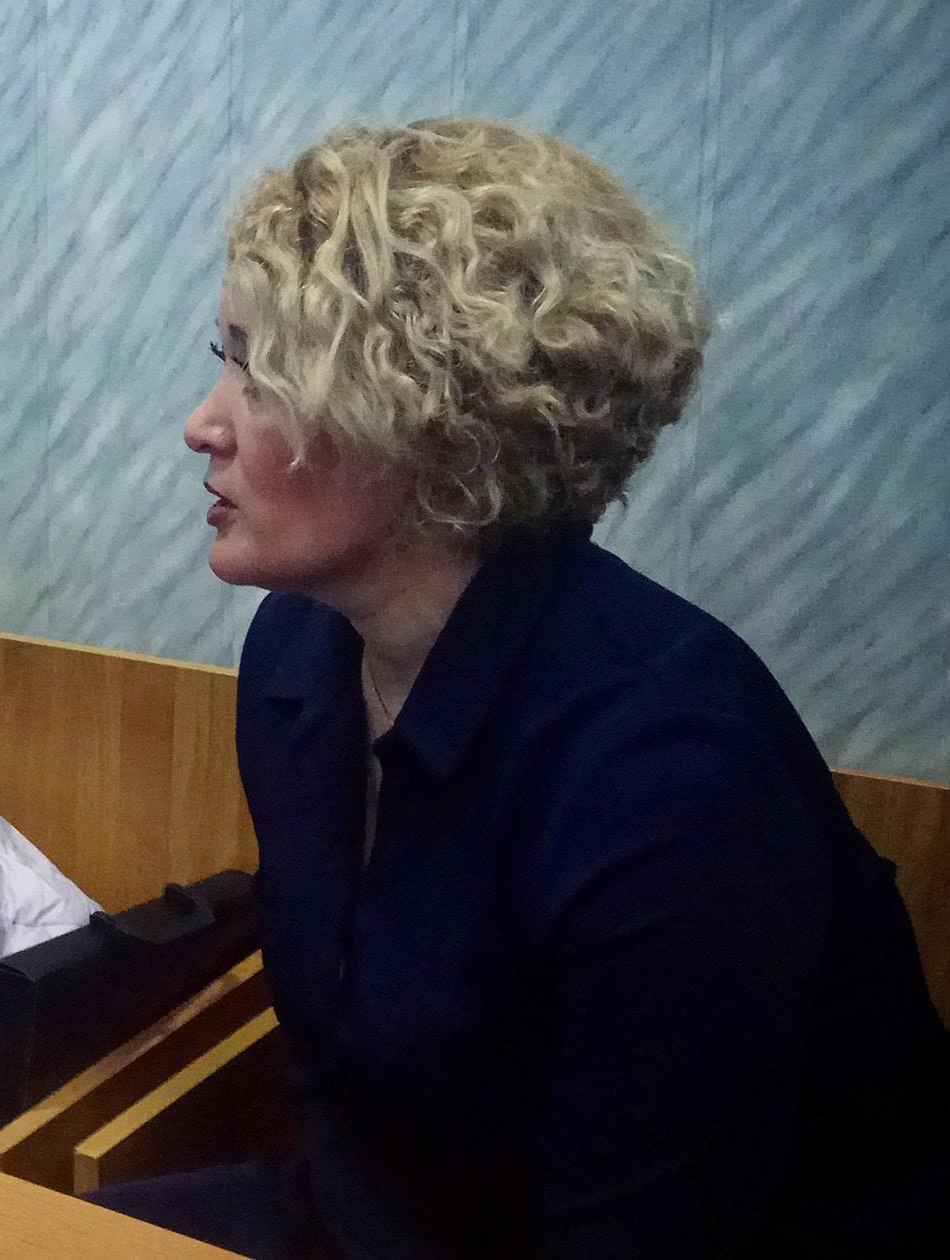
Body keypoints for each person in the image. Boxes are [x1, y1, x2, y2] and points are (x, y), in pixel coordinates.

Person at [89, 118, 950, 1256]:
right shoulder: (298, 660)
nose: (203, 424)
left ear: (428, 425)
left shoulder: (669, 783)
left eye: (262, 372)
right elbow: (343, 1109)